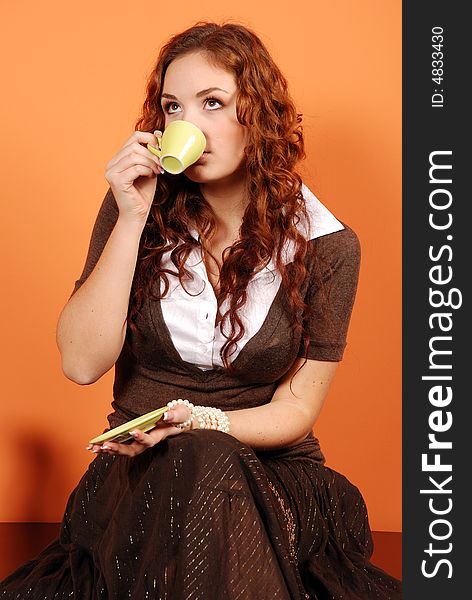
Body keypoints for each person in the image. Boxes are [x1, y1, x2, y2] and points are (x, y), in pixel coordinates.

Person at [0, 21, 401, 600]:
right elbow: (81, 363)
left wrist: (200, 424)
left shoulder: (328, 245)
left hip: (272, 483)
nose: (186, 124)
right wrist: (132, 217)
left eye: (212, 103)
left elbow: (297, 409)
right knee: (188, 475)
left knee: (205, 457)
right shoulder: (133, 210)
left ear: (258, 115)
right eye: (172, 107)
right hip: (141, 484)